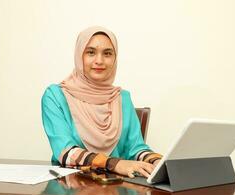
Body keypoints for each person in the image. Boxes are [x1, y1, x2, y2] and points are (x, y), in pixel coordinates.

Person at [41, 26, 162, 178]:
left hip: (117, 187)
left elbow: (135, 149)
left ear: (115, 59)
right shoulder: (55, 96)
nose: (99, 61)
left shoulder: (122, 98)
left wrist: (158, 161)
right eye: (90, 52)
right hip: (70, 186)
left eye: (107, 53)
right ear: (79, 56)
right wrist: (115, 164)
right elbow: (66, 152)